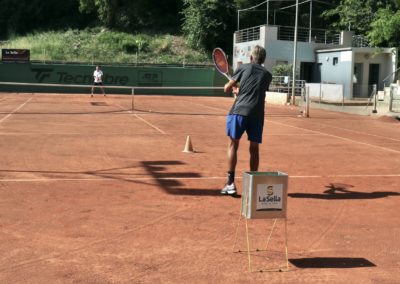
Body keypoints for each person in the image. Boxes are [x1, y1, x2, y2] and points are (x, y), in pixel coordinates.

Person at [221, 45, 272, 196]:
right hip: (257, 115)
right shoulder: (268, 75)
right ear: (263, 60)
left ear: (251, 58)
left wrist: (235, 90)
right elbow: (255, 90)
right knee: (254, 149)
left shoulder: (243, 68)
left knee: (233, 145)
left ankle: (230, 183)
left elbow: (226, 88)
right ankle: (253, 185)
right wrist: (240, 91)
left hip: (239, 111)